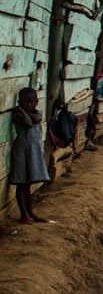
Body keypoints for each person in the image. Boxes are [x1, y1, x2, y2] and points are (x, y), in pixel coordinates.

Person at [10, 87, 50, 224]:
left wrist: (22, 109)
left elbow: (36, 119)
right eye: (24, 102)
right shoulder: (18, 114)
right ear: (19, 102)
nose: (27, 105)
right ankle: (23, 214)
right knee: (21, 183)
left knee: (28, 185)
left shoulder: (36, 114)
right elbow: (27, 124)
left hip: (32, 152)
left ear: (36, 102)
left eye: (30, 102)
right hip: (21, 151)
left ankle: (31, 212)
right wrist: (21, 110)